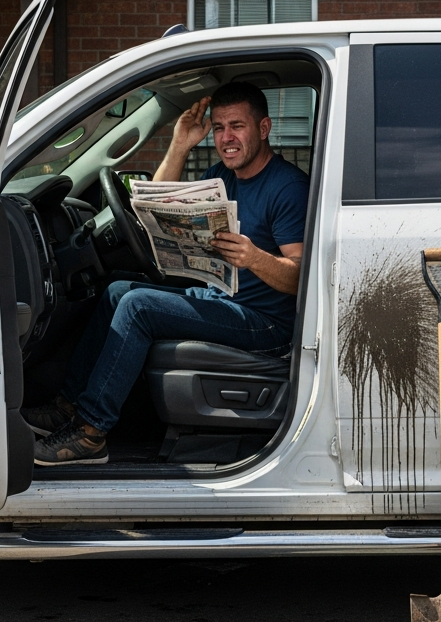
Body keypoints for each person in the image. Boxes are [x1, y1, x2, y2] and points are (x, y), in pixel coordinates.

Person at [27, 81, 310, 465]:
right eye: (219, 127)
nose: (226, 138)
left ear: (264, 128)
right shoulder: (222, 176)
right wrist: (179, 145)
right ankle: (68, 406)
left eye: (237, 126)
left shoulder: (287, 187)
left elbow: (301, 278)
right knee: (117, 290)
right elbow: (154, 206)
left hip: (265, 323)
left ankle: (91, 431)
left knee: (139, 306)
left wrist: (255, 258)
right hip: (220, 296)